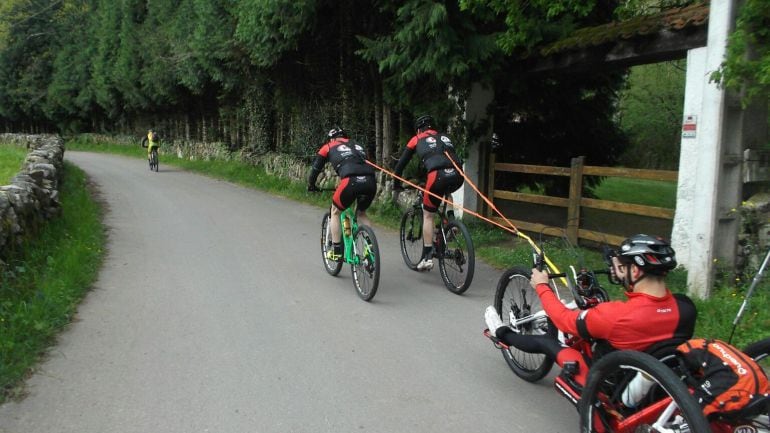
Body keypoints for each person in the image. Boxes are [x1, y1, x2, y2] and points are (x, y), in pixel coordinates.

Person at [484, 234, 696, 386]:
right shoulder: (685, 307)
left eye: (622, 266)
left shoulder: (616, 316)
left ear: (636, 270)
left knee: (547, 342)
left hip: (612, 382)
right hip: (659, 377)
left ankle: (501, 332)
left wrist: (541, 286)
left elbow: (562, 319)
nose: (618, 269)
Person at [392, 115, 464, 271]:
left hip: (436, 176)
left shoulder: (417, 139)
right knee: (447, 191)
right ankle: (451, 221)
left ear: (419, 129)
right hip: (458, 174)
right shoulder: (444, 136)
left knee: (428, 214)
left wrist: (396, 185)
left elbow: (400, 166)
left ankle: (427, 256)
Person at [307, 126, 377, 261]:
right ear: (345, 137)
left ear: (332, 139)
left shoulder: (328, 146)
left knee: (335, 211)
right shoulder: (357, 145)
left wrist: (311, 185)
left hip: (350, 181)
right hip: (370, 181)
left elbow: (315, 169)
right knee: (361, 213)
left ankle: (337, 250)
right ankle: (371, 249)